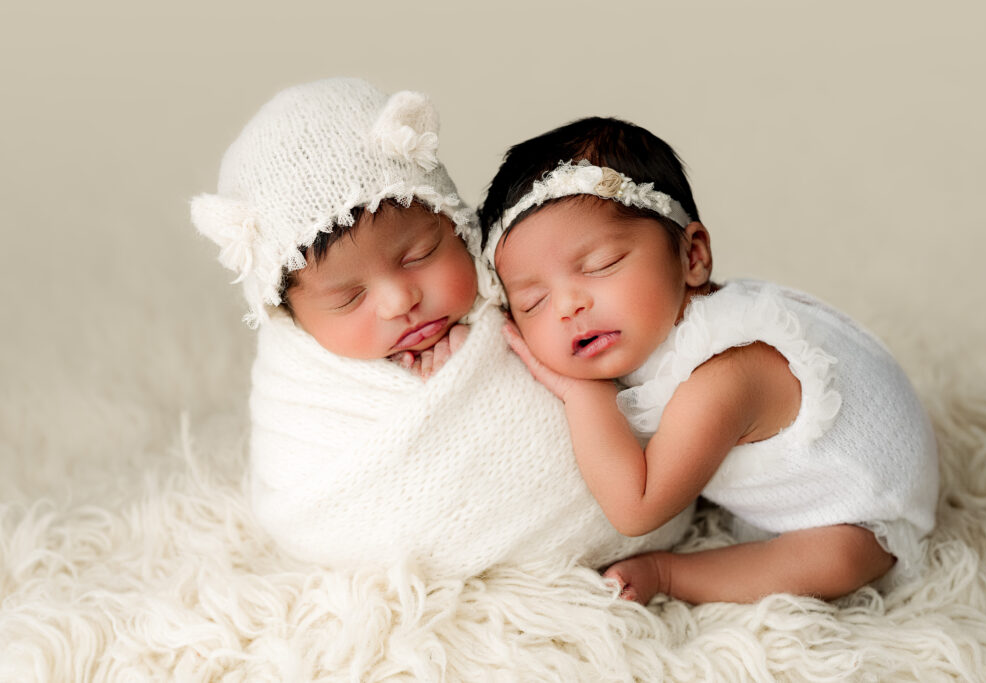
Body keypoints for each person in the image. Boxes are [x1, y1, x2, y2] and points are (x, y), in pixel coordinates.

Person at [190, 80, 689, 578]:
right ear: (290, 316)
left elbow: (631, 406)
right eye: (349, 298)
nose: (398, 301)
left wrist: (488, 367)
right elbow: (310, 507)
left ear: (457, 225)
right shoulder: (300, 389)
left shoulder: (531, 287)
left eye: (420, 255)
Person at [481, 116, 939, 604]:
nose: (568, 306)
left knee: (840, 557)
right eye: (533, 302)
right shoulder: (660, 326)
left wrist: (582, 392)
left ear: (692, 255)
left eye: (600, 266)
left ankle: (673, 574)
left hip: (867, 504)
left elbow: (635, 507)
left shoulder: (725, 374)